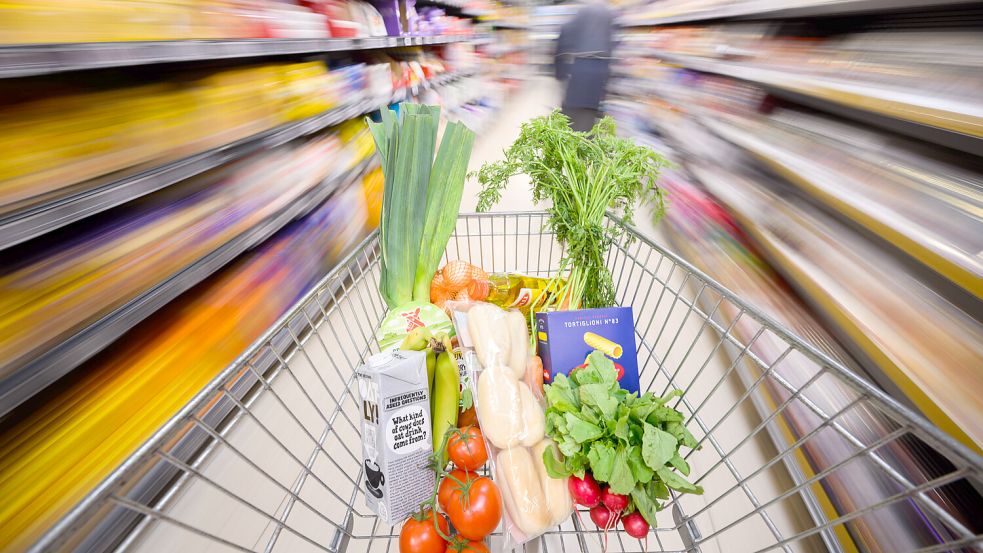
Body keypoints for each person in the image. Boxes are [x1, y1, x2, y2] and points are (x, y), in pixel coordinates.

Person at [554, 0, 616, 132]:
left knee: (572, 117)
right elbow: (612, 44)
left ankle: (571, 142)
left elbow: (564, 39)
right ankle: (587, 139)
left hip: (580, 68)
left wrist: (560, 73)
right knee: (590, 116)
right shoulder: (608, 12)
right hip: (600, 70)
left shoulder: (581, 12)